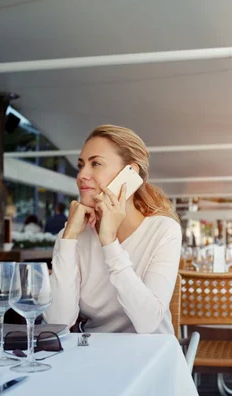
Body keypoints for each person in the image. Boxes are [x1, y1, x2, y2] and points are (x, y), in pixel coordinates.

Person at [44, 125, 181, 334]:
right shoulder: (72, 235)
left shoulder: (164, 230)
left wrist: (109, 242)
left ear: (130, 173)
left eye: (96, 163)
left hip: (151, 356)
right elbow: (57, 323)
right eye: (81, 165)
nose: (82, 175)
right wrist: (68, 237)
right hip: (95, 356)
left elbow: (147, 322)